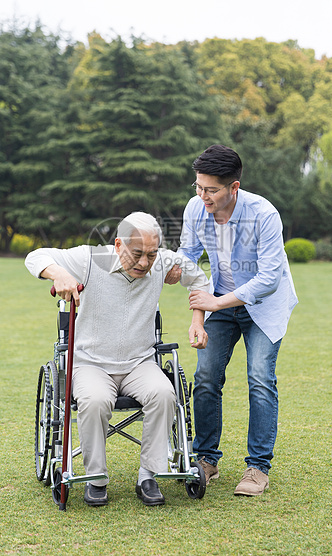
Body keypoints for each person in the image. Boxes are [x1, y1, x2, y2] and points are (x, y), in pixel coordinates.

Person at [25, 212, 209, 507]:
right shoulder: (89, 258)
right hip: (91, 364)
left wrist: (198, 320)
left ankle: (148, 476)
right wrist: (57, 273)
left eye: (151, 254)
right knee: (95, 400)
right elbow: (35, 256)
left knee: (164, 393)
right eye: (137, 254)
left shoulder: (162, 261)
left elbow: (200, 281)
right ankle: (96, 480)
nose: (144, 263)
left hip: (140, 363)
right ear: (118, 244)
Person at [166, 144, 298, 496]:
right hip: (218, 302)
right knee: (206, 376)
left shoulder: (264, 215)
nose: (202, 195)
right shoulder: (196, 208)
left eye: (211, 189)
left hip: (263, 306)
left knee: (259, 377)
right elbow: (191, 260)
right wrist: (197, 311)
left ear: (233, 187)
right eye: (198, 186)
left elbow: (269, 278)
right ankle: (206, 460)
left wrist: (214, 303)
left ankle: (257, 468)